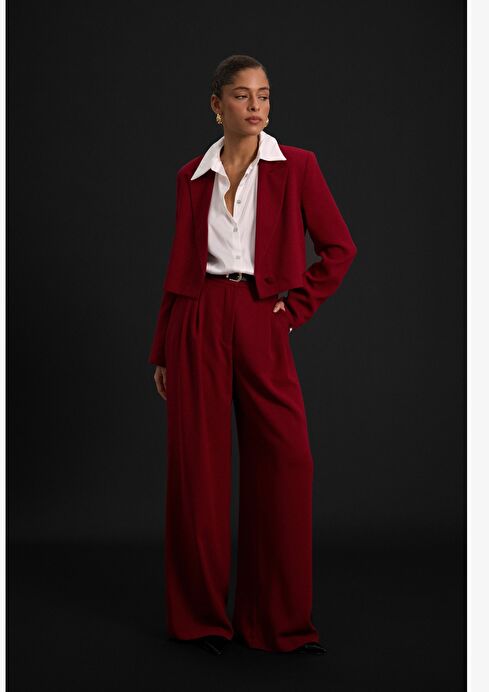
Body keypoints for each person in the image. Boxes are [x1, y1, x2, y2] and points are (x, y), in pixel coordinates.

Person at [148, 54, 357, 656]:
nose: (256, 106)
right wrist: (162, 348)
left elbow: (339, 248)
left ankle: (277, 622)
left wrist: (292, 310)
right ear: (217, 106)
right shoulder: (192, 176)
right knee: (198, 475)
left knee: (287, 465)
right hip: (196, 319)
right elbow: (178, 267)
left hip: (261, 317)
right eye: (242, 95)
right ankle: (200, 620)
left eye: (263, 94)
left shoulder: (298, 166)